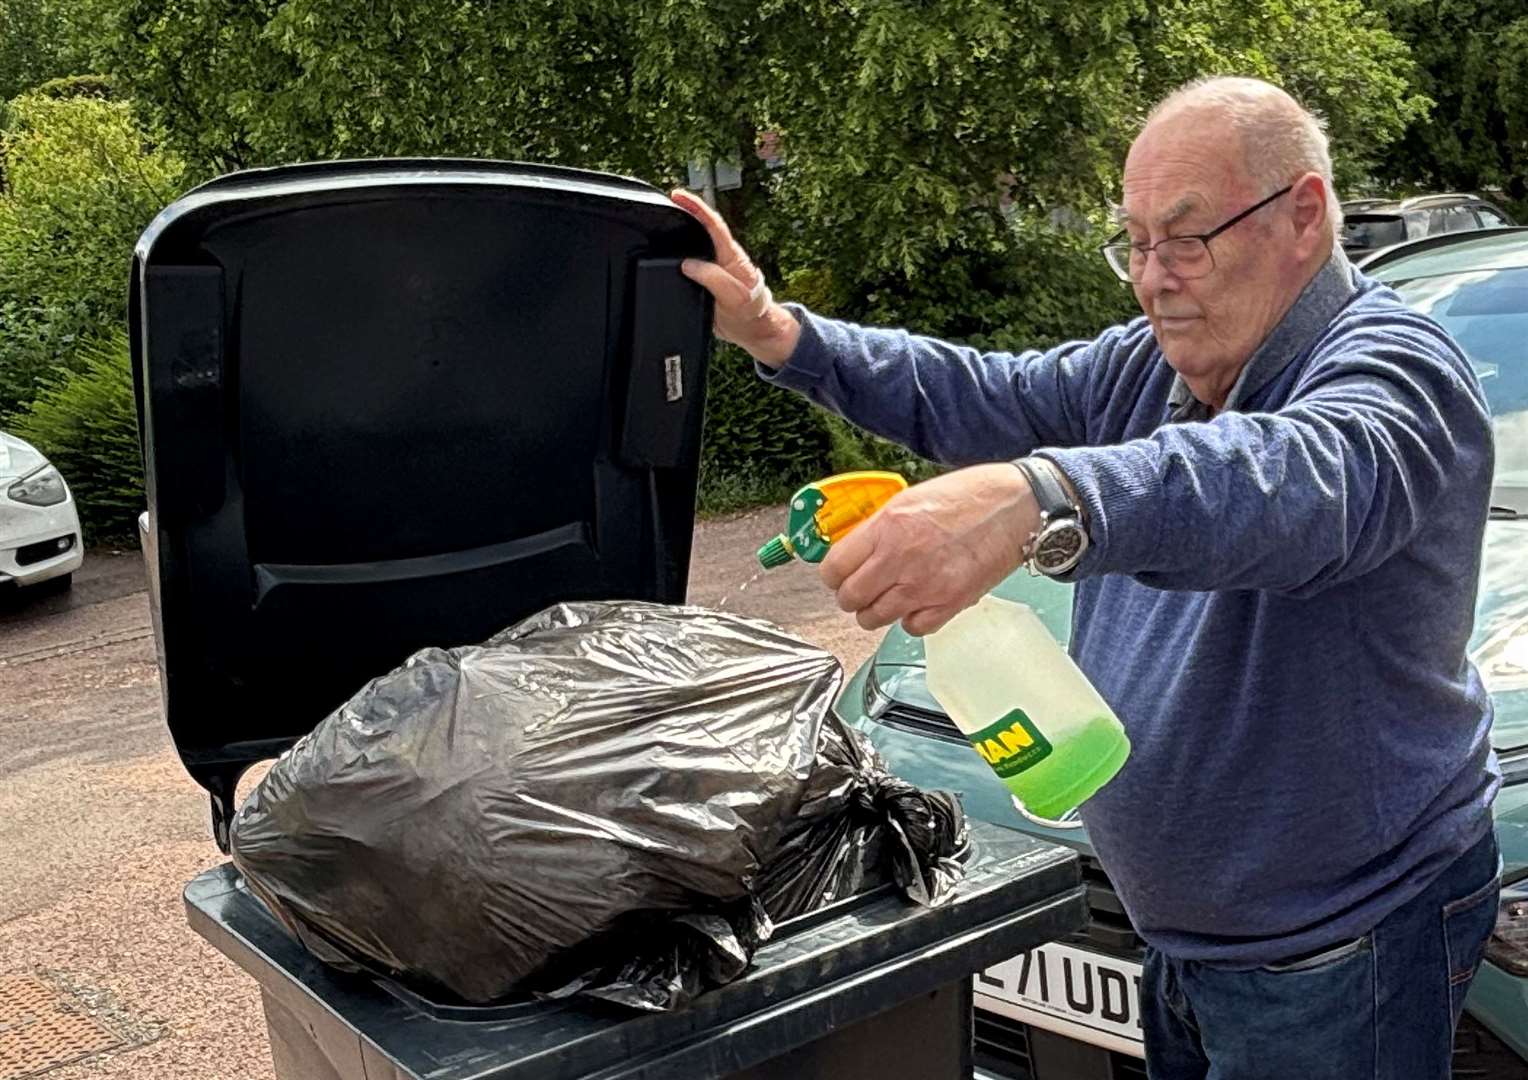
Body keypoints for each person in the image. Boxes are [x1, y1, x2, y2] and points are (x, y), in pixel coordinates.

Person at [671, 76, 1501, 1079]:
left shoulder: (1394, 369)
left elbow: (1290, 485)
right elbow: (983, 391)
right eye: (1136, 243)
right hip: (1186, 937)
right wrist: (777, 333)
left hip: (1338, 943)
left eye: (1186, 239)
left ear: (1302, 217)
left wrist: (1041, 496)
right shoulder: (1152, 364)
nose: (1154, 278)